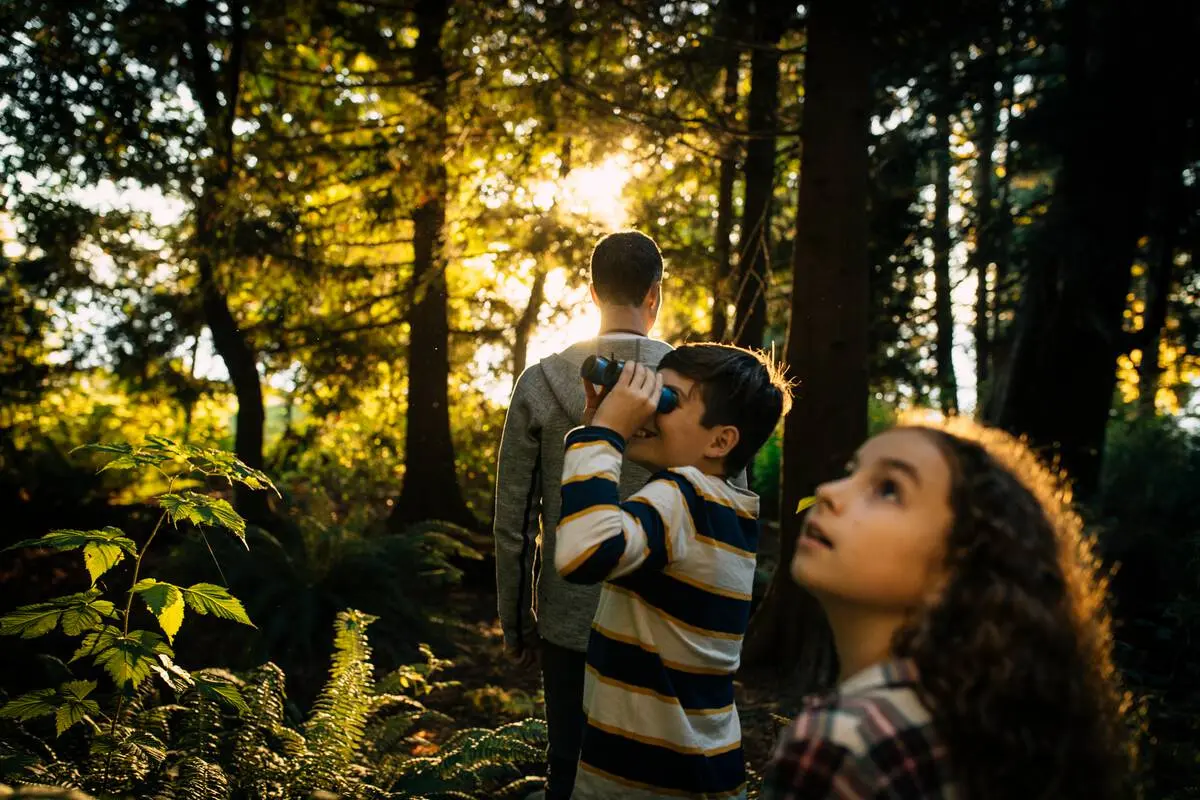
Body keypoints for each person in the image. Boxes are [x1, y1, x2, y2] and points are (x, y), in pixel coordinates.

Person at [760, 415, 1134, 799]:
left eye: (888, 489)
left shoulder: (843, 741)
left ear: (957, 570)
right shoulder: (980, 729)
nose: (828, 491)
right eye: (850, 472)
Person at [555, 344, 792, 799]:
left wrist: (604, 432)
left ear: (720, 441)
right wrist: (601, 427)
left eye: (668, 400)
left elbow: (583, 552)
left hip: (655, 779)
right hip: (697, 768)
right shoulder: (722, 506)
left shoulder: (683, 497)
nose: (646, 406)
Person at [493, 231, 673, 800]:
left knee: (568, 767)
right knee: (659, 774)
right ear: (655, 294)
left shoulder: (542, 382)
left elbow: (513, 521)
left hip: (571, 621)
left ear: (591, 293)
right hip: (666, 621)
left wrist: (517, 623)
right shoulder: (695, 387)